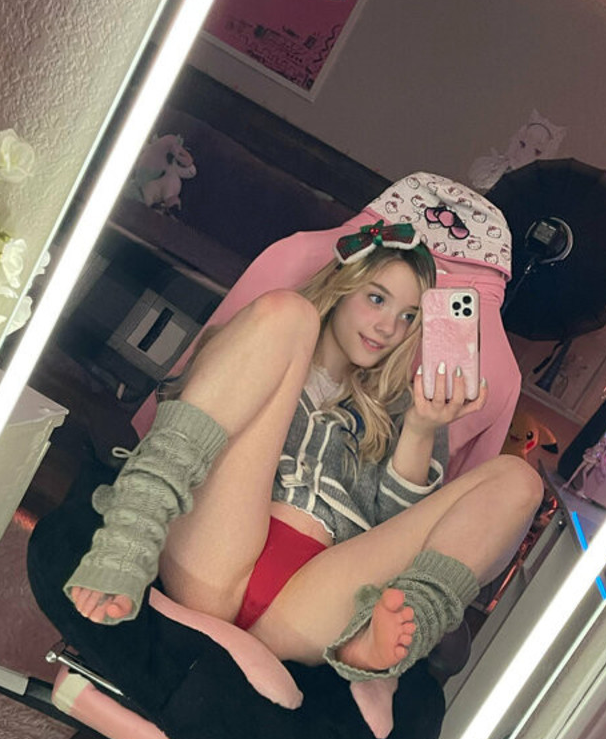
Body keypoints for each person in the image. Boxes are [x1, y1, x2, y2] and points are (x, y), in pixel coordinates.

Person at [63, 215, 542, 683]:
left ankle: (383, 642)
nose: (387, 328)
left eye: (408, 317)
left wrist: (418, 430)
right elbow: (190, 415)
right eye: (377, 299)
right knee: (289, 313)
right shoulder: (271, 338)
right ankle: (128, 537)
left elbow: (393, 532)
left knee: (519, 479)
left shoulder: (409, 405)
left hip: (312, 605)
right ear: (342, 285)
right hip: (215, 554)